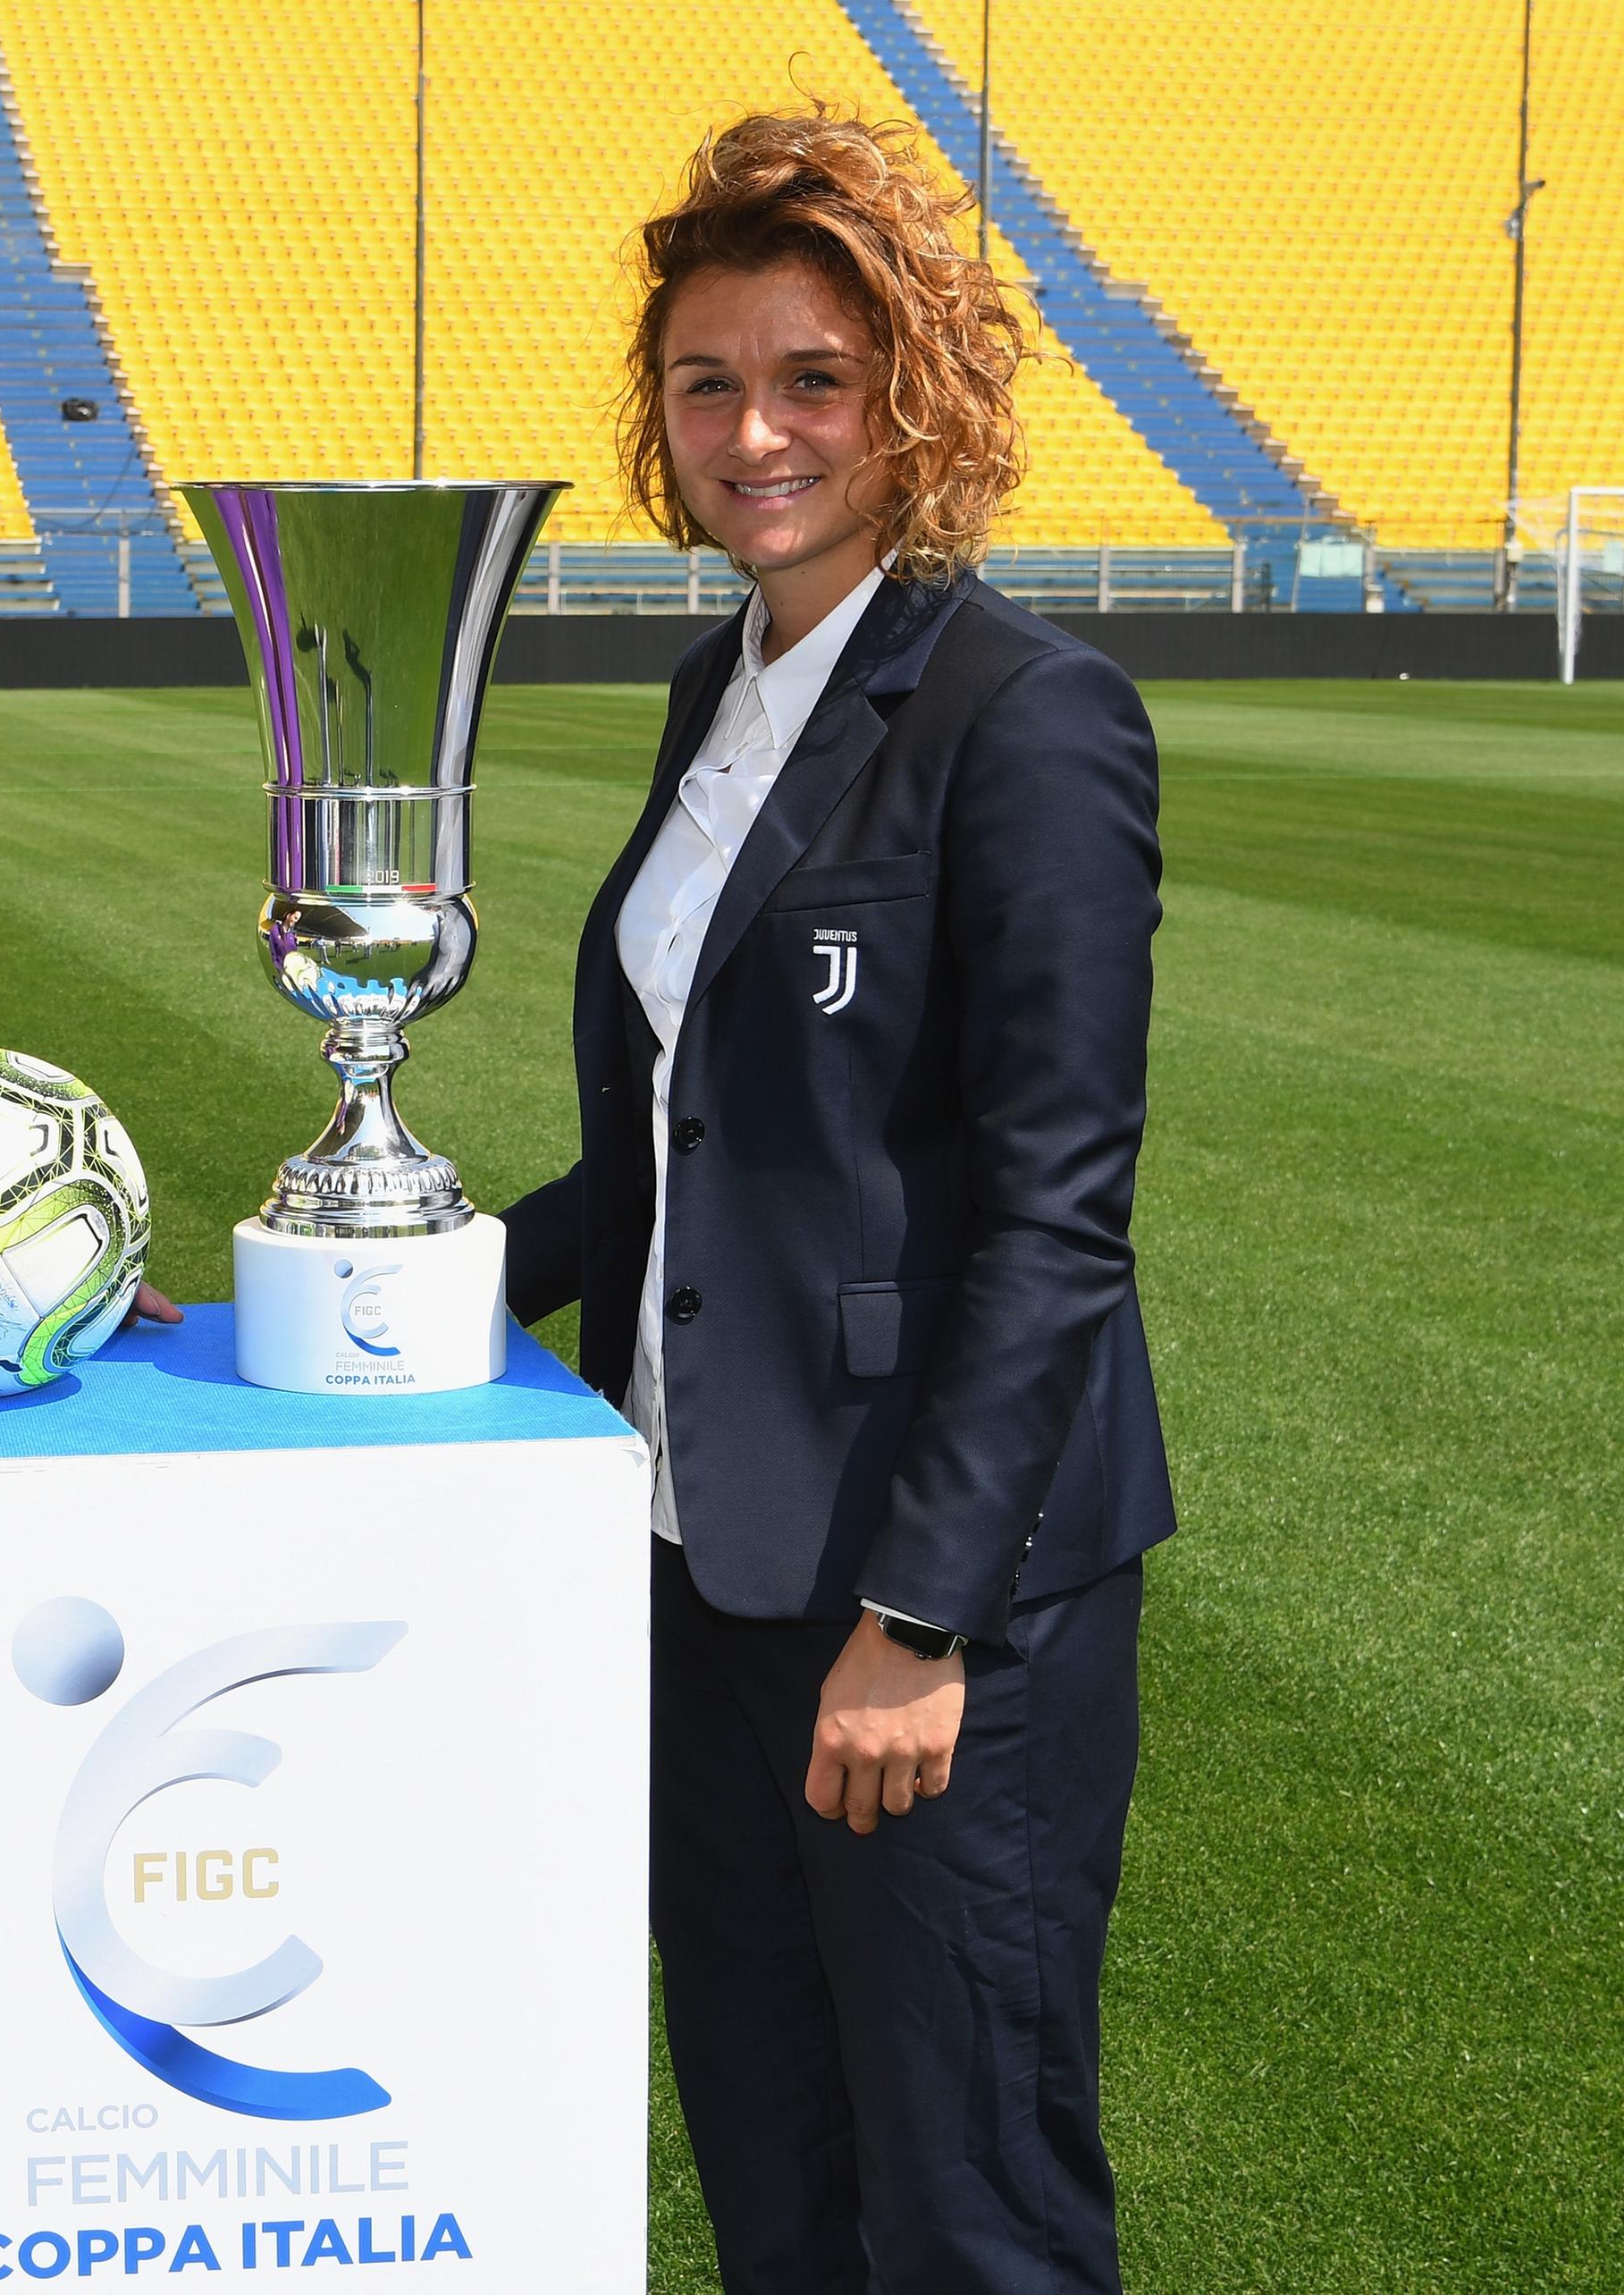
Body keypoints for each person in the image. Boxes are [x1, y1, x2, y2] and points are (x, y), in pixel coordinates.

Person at [497, 113, 1180, 2294]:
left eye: (813, 377)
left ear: (917, 397)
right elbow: (690, 1157)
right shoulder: (725, 690)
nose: (754, 430)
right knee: (779, 2183)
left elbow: (1059, 1212)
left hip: (920, 1617)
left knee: (967, 2216)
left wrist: (918, 1624)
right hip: (705, 1567)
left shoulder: (1029, 716)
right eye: (707, 383)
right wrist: (396, 1272)